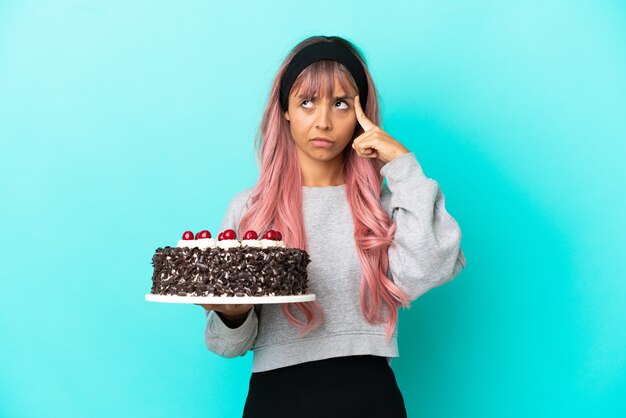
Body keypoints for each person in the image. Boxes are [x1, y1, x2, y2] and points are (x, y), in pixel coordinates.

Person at [196, 35, 467, 417]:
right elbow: (227, 345)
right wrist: (232, 314)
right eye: (307, 102)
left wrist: (403, 165)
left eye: (340, 104)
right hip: (276, 401)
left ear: (361, 114)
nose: (323, 121)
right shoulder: (250, 210)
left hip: (370, 399)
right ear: (285, 110)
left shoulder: (383, 208)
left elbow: (436, 263)